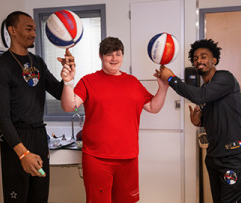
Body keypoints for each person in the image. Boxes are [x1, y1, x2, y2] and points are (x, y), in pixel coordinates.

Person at [60, 36, 169, 203]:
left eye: (118, 54)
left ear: (123, 56)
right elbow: (69, 106)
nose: (114, 59)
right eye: (109, 54)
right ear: (100, 56)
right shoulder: (88, 81)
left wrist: (163, 88)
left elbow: (153, 107)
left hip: (128, 158)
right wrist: (68, 83)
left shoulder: (132, 82)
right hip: (96, 158)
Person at [0, 11, 71, 203]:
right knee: (18, 197)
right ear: (12, 30)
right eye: (28, 28)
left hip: (39, 137)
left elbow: (59, 92)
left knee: (40, 196)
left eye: (34, 29)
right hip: (16, 140)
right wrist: (23, 153)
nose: (34, 33)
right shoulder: (1, 67)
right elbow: (1, 116)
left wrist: (67, 76)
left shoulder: (38, 62)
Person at [157, 39, 241, 202]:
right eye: (195, 58)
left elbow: (199, 96)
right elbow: (214, 114)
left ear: (214, 60)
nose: (199, 60)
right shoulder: (206, 90)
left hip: (235, 155)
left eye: (203, 56)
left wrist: (171, 79)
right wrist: (199, 122)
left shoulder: (225, 78)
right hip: (215, 156)